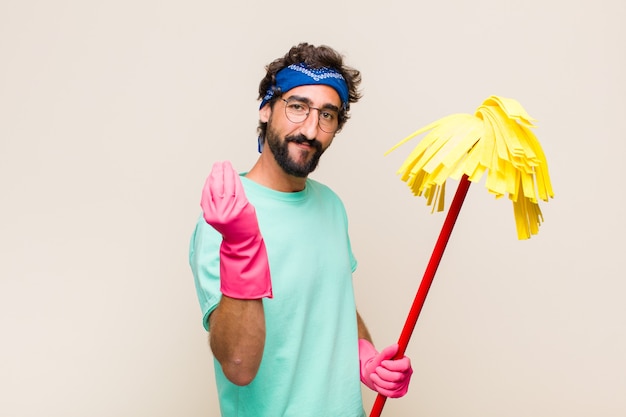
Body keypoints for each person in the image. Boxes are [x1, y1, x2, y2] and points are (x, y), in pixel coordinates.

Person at [189, 42, 413, 417]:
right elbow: (239, 365)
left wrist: (365, 356)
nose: (310, 129)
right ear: (266, 109)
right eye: (297, 107)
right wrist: (241, 246)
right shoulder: (225, 216)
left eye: (328, 115)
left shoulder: (331, 205)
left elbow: (332, 303)